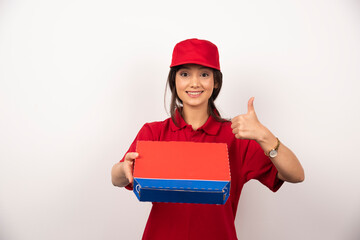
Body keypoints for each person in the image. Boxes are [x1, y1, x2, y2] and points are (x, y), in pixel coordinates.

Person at [111, 38, 304, 240]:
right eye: (185, 74)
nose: (194, 83)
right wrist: (124, 168)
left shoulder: (236, 136)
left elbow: (296, 175)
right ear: (174, 80)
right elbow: (116, 177)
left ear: (216, 81)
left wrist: (264, 136)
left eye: (204, 74)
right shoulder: (154, 132)